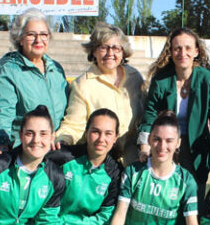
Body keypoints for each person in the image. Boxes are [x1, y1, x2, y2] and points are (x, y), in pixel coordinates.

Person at [140, 28, 210, 198]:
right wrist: (144, 149)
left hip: (196, 148)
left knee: (194, 198)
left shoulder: (208, 80)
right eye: (177, 48)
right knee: (165, 196)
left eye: (188, 48)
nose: (182, 53)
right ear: (170, 52)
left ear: (196, 51)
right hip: (166, 146)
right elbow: (149, 116)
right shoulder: (160, 80)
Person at [105, 112, 199, 225]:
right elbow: (120, 213)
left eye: (169, 141)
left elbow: (192, 223)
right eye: (157, 139)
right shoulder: (133, 172)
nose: (162, 146)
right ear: (149, 139)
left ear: (178, 143)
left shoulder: (186, 180)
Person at [56, 23, 145, 163]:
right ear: (94, 51)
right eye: (104, 47)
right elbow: (73, 125)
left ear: (123, 52)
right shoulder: (82, 85)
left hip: (134, 159)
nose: (110, 53)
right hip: (102, 162)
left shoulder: (135, 77)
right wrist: (64, 139)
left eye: (116, 48)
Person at [0, 7, 69, 152]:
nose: (39, 40)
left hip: (55, 150)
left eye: (44, 34)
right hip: (26, 151)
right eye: (31, 34)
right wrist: (2, 143)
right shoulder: (10, 70)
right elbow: (1, 112)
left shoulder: (56, 70)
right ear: (20, 38)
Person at [50, 108, 124, 225]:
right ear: (86, 132)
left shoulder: (116, 172)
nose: (101, 139)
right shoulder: (63, 157)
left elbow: (106, 217)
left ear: (116, 137)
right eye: (95, 131)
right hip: (52, 224)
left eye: (108, 133)